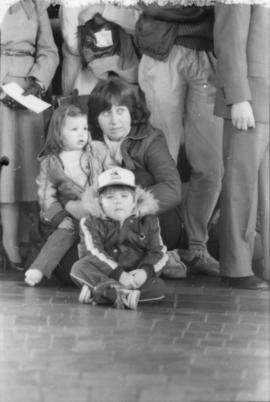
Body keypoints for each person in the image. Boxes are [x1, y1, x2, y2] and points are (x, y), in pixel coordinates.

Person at [135, 4, 223, 275]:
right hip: (161, 52)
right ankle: (163, 248)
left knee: (211, 163)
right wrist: (199, 9)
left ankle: (197, 245)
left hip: (205, 54)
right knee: (164, 159)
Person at [85, 76, 187, 279]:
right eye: (106, 113)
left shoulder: (150, 138)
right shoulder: (86, 140)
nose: (115, 120)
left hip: (152, 225)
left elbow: (173, 188)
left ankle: (154, 258)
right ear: (96, 118)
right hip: (107, 228)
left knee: (136, 178)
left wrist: (130, 210)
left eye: (121, 111)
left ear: (131, 111)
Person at [24, 104, 112, 286]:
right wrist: (58, 217)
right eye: (74, 129)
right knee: (62, 235)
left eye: (85, 128)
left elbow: (110, 170)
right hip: (72, 216)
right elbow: (46, 195)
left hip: (98, 210)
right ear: (58, 133)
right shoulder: (51, 163)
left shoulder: (95, 151)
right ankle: (38, 269)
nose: (82, 134)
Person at [0, 0, 59, 270]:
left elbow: (49, 51)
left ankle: (19, 241)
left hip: (24, 92)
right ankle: (9, 243)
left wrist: (37, 83)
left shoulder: (33, 4)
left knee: (22, 173)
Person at [214, 4, 269, 289]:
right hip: (251, 97)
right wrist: (237, 97)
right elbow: (229, 38)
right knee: (241, 186)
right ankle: (236, 268)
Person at [71, 167, 168, 309]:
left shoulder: (149, 221)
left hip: (135, 275)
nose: (118, 202)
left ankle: (100, 294)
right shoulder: (90, 222)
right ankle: (122, 296)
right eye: (110, 197)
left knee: (158, 288)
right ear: (100, 202)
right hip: (106, 273)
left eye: (124, 196)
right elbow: (92, 252)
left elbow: (159, 253)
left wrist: (145, 272)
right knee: (78, 268)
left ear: (134, 200)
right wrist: (118, 274)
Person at [59, 3, 140, 97]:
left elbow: (139, 25)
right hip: (83, 74)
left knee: (126, 107)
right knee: (84, 107)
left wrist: (104, 10)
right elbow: (73, 45)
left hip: (125, 72)